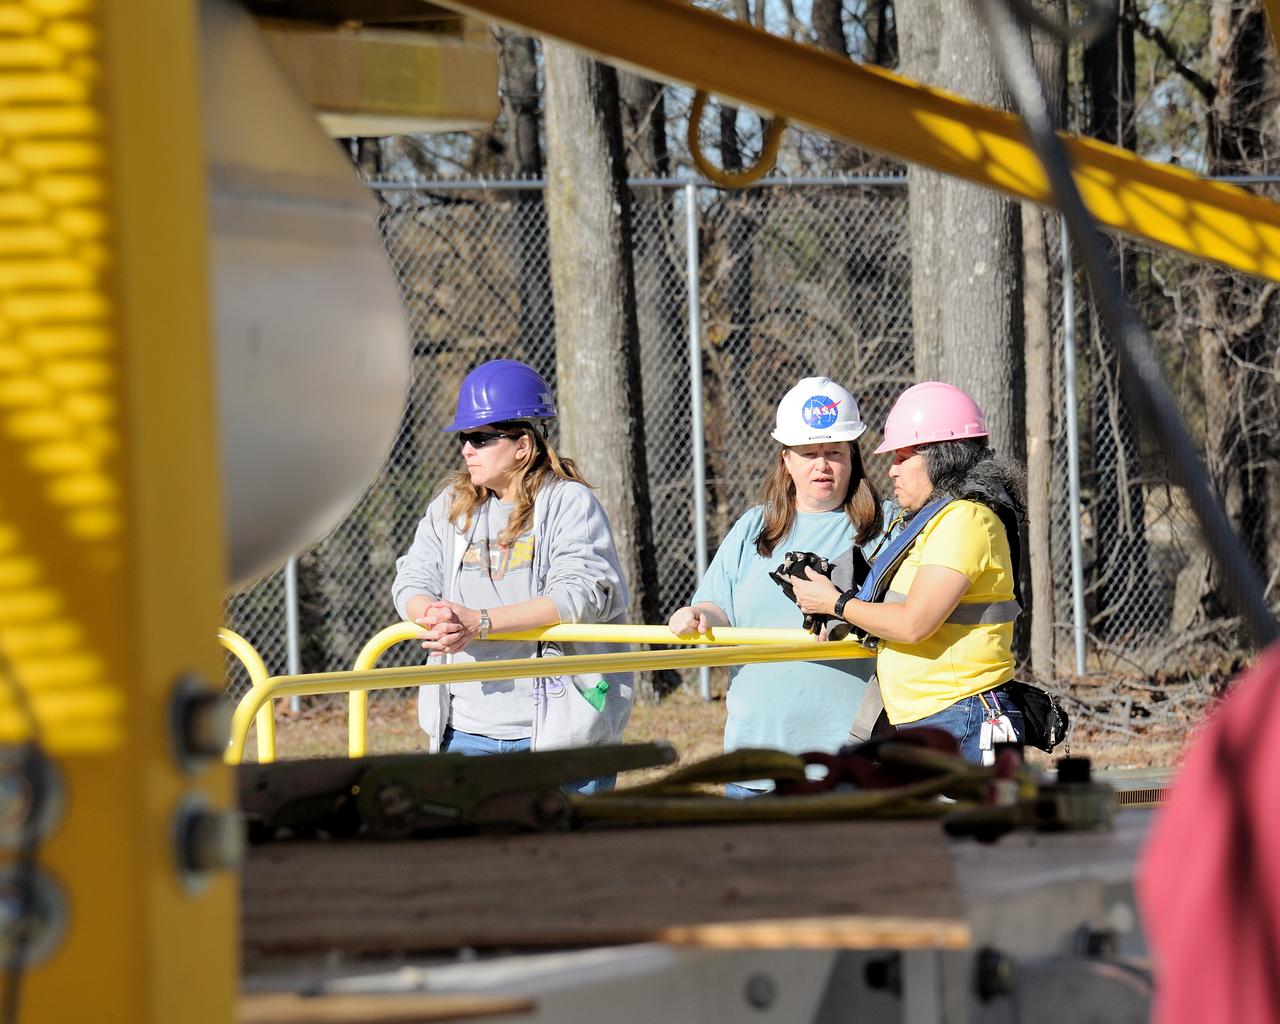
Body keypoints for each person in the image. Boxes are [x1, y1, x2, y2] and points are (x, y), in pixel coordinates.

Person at [391, 359, 632, 792]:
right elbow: (412, 578)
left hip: (559, 737)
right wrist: (434, 614)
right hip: (463, 732)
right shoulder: (452, 505)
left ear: (524, 445)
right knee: (476, 861)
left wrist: (478, 622)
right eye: (465, 437)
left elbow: (578, 595)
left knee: (565, 860)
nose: (466, 449)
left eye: (481, 438)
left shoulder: (569, 503)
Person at [667, 377, 887, 796]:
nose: (821, 466)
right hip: (758, 753)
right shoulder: (755, 526)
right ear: (786, 459)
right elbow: (718, 605)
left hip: (849, 756)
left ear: (853, 457)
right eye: (808, 453)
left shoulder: (885, 526)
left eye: (834, 453)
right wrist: (698, 615)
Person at [791, 381, 1026, 764]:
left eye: (902, 457)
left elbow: (915, 623)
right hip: (942, 716)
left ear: (940, 457)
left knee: (966, 823)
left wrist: (835, 603)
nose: (892, 471)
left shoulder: (965, 520)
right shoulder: (938, 520)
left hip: (960, 716)